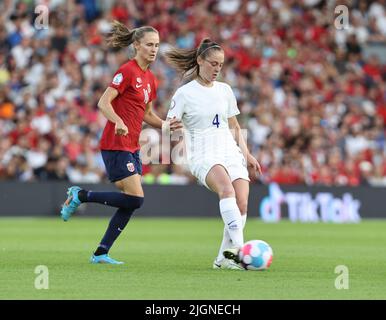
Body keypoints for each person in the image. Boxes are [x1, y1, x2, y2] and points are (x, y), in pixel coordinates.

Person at [60, 21, 182, 264]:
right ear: (136, 45)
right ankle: (80, 195)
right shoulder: (126, 71)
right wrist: (117, 121)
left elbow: (146, 113)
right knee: (136, 198)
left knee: (130, 202)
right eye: (149, 44)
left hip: (133, 145)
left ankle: (101, 252)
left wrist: (165, 125)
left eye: (157, 45)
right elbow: (104, 103)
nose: (154, 49)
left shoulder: (150, 79)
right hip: (116, 143)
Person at [165, 39, 262, 270]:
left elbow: (234, 126)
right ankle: (241, 252)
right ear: (199, 61)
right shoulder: (184, 93)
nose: (217, 69)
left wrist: (247, 154)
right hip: (202, 153)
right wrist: (170, 127)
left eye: (220, 64)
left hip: (230, 150)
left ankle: (222, 259)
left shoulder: (225, 90)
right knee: (226, 190)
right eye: (213, 63)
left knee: (241, 203)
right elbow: (167, 124)